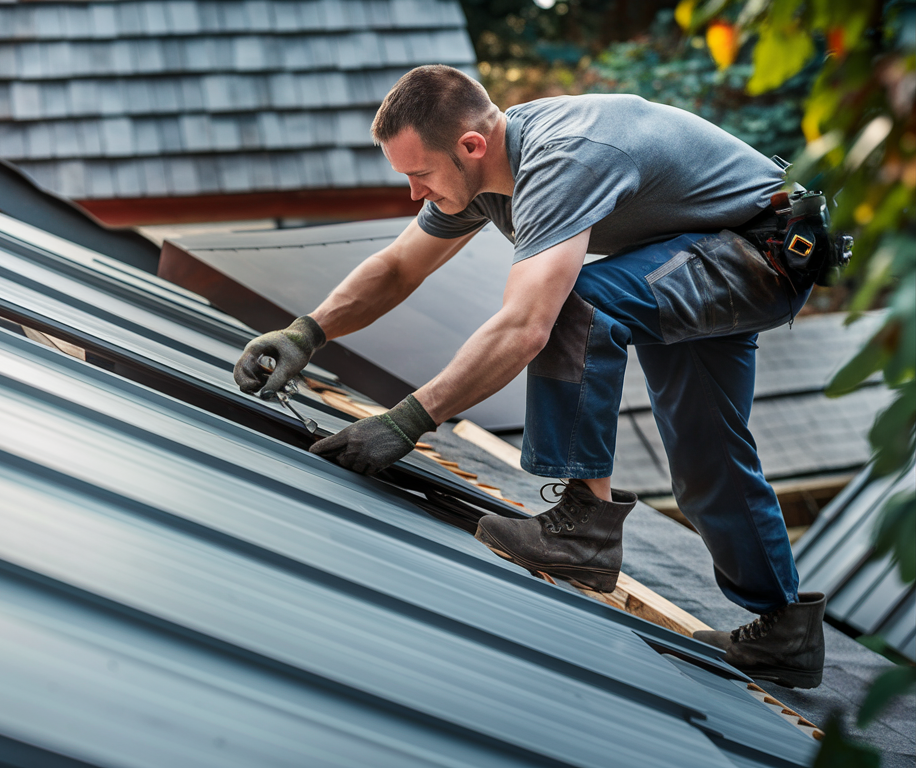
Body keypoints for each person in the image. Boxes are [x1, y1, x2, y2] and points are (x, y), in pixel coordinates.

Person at [232, 65, 826, 688]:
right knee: (706, 449)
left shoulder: (562, 160)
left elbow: (527, 326)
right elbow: (400, 267)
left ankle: (585, 526)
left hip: (762, 249)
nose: (413, 193)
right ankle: (785, 628)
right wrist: (307, 333)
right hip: (705, 251)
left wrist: (407, 423)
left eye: (419, 175)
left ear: (470, 146)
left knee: (578, 303)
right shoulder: (480, 176)